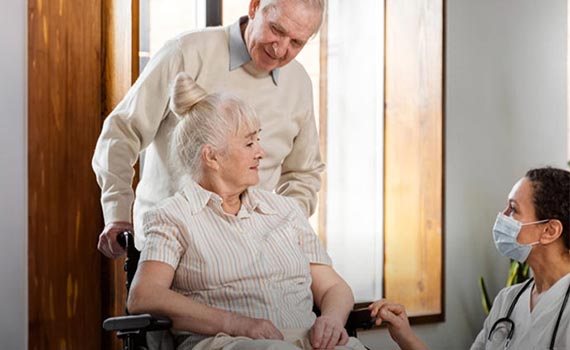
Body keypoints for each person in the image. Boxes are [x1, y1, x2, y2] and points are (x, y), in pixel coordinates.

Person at [127, 73, 366, 350]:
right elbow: (144, 296)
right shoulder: (173, 217)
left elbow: (334, 288)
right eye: (249, 143)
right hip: (227, 342)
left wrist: (333, 320)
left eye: (258, 140)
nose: (261, 152)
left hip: (305, 339)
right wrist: (237, 324)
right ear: (212, 156)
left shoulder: (284, 210)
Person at [92, 0, 326, 257]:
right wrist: (117, 212)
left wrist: (282, 230)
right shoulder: (186, 52)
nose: (281, 49)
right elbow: (121, 132)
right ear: (255, 7)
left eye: (296, 43)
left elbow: (303, 175)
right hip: (168, 248)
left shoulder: (299, 83)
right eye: (277, 30)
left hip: (250, 255)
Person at [368, 167, 570, 350]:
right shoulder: (508, 300)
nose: (503, 216)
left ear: (549, 230)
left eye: (513, 209)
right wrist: (405, 336)